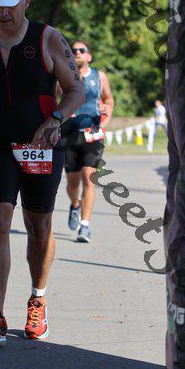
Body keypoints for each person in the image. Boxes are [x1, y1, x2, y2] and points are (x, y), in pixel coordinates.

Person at [0, 0, 85, 346]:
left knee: (38, 226)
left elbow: (76, 90)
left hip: (41, 144)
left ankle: (37, 300)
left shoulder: (48, 38)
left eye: (10, 5)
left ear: (26, 1)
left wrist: (55, 119)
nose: (3, 13)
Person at [62, 41, 114, 243]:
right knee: (72, 183)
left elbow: (108, 100)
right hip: (69, 134)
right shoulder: (64, 76)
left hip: (92, 134)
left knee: (88, 178)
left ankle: (85, 225)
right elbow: (53, 98)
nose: (77, 53)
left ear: (89, 56)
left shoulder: (99, 77)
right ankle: (75, 205)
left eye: (81, 50)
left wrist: (105, 118)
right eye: (73, 50)